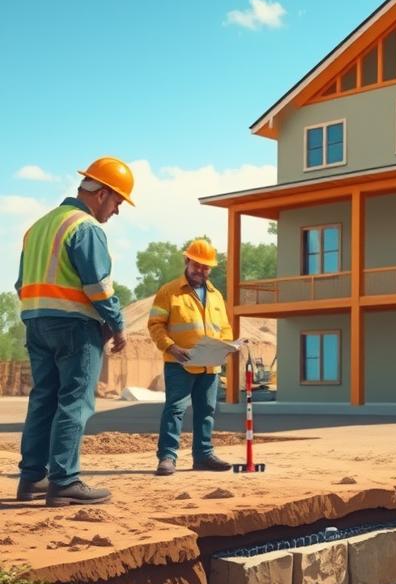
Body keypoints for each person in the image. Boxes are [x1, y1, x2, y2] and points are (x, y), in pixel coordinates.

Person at [15, 157, 132, 506]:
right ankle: (64, 480)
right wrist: (117, 324)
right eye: (118, 202)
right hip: (74, 327)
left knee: (43, 400)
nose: (117, 210)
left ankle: (32, 479)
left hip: (36, 323)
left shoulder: (37, 227)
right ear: (102, 194)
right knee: (74, 402)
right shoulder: (86, 228)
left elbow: (22, 284)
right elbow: (97, 287)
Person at [148, 239, 235, 475]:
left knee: (206, 410)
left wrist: (226, 348)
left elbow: (225, 328)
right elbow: (155, 325)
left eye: (206, 267)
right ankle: (167, 457)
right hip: (180, 362)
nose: (201, 271)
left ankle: (203, 456)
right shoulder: (169, 291)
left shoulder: (216, 296)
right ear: (187, 261)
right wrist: (171, 347)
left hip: (209, 365)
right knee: (175, 409)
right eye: (197, 265)